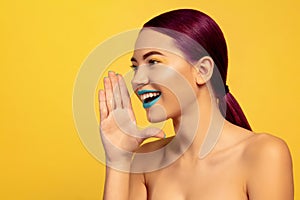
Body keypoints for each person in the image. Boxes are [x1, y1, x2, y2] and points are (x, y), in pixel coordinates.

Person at [98, 9, 294, 200]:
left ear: (202, 70)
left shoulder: (263, 154)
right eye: (135, 67)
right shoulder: (146, 160)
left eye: (153, 62)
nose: (137, 80)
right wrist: (118, 159)